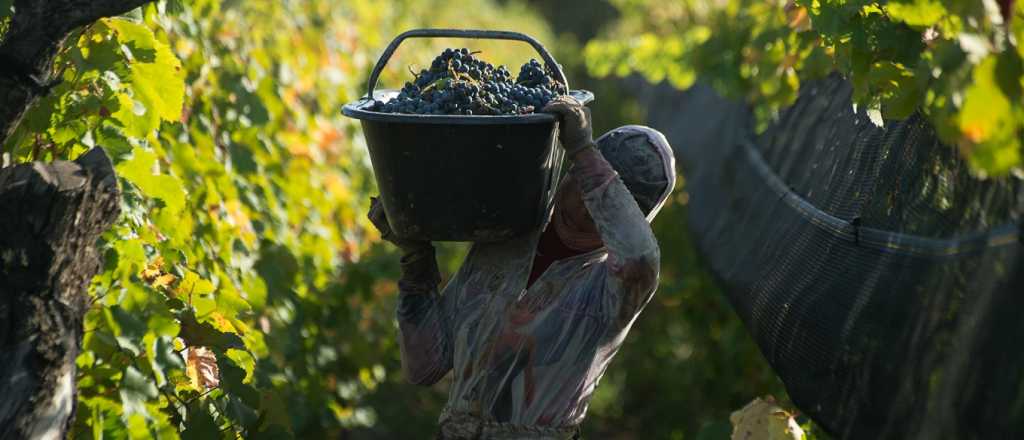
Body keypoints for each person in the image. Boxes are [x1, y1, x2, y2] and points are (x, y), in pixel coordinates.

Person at [367, 96, 676, 439]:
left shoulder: (611, 290)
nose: (582, 205)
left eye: (598, 199)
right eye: (579, 182)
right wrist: (416, 258)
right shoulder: (509, 235)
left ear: (622, 217)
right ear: (569, 169)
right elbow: (425, 366)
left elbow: (639, 257)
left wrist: (584, 151)